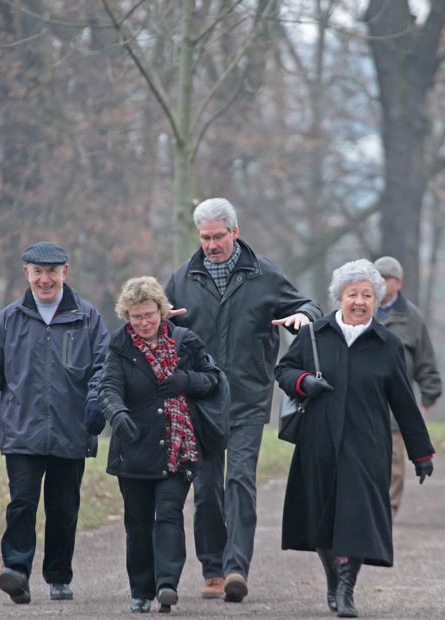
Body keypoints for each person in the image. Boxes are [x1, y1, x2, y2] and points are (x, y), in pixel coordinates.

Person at [165, 197, 322, 602]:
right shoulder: (182, 279)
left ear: (235, 232)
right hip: (201, 399)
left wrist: (302, 317)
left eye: (219, 236)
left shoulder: (263, 274)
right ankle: (213, 570)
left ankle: (236, 568)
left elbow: (308, 305)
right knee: (207, 489)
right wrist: (160, 326)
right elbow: (156, 326)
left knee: (239, 480)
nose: (211, 245)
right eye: (205, 238)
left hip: (249, 397)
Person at [275, 258, 435, 618]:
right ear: (339, 297)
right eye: (352, 294)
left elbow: (404, 401)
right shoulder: (314, 335)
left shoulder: (387, 344)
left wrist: (421, 453)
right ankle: (333, 578)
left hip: (366, 445)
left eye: (367, 295)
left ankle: (346, 588)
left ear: (376, 300)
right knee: (321, 518)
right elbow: (283, 370)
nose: (359, 301)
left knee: (357, 516)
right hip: (318, 441)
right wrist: (303, 382)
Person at [0, 241, 109, 605]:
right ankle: (16, 571)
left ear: (65, 272)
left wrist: (97, 402)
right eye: (38, 272)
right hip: (22, 430)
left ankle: (59, 576)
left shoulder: (87, 318)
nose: (45, 280)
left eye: (53, 272)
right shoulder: (8, 321)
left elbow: (104, 367)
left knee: (63, 509)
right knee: (21, 504)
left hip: (71, 430)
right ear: (26, 273)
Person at [98, 276, 228, 614]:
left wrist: (186, 380)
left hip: (178, 446)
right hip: (134, 447)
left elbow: (213, 380)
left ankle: (167, 584)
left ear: (161, 311)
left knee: (169, 514)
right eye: (136, 317)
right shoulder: (119, 347)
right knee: (138, 523)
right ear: (126, 316)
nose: (143, 323)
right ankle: (141, 591)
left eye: (149, 315)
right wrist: (117, 413)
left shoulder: (186, 342)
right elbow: (107, 387)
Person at [374, 256, 442, 517]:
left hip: (395, 403)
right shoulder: (362, 309)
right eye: (376, 278)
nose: (380, 284)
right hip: (364, 399)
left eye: (385, 279)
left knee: (393, 459)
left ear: (398, 283)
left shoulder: (412, 317)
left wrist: (429, 394)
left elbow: (425, 359)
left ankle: (388, 509)